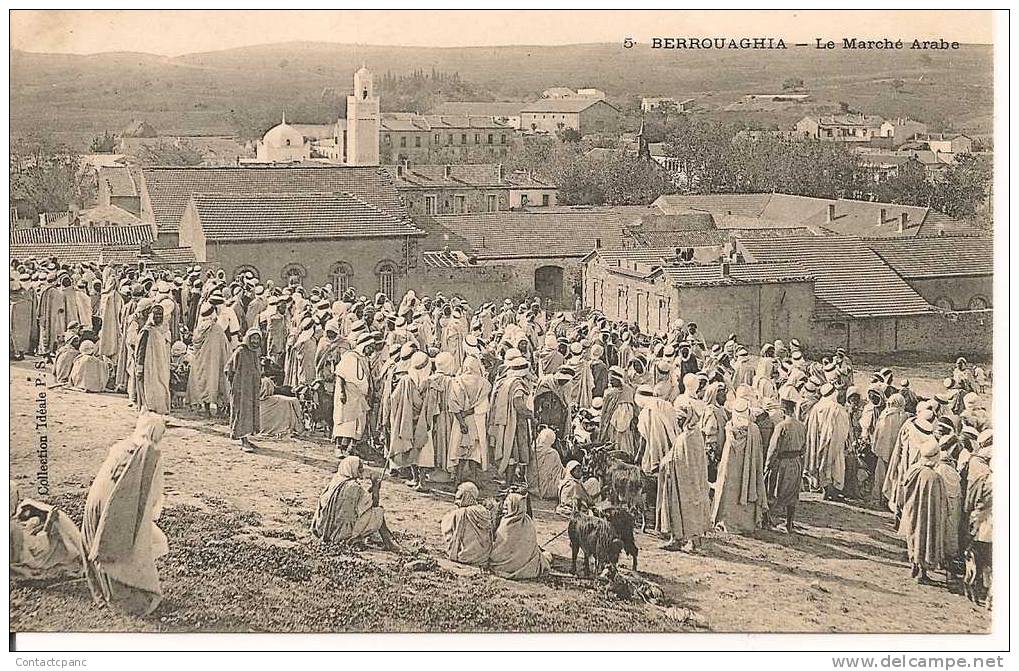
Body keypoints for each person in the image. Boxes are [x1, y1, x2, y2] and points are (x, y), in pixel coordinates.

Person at [81, 413, 169, 616]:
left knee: (100, 541)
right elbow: (154, 494)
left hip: (95, 500)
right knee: (124, 546)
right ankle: (122, 594)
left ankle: (104, 589)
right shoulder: (151, 454)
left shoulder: (121, 445)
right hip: (115, 506)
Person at [311, 456, 401, 551]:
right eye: (359, 468)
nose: (361, 470)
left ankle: (373, 538)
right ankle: (388, 543)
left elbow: (360, 499)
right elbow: (373, 504)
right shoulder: (354, 487)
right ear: (351, 468)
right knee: (378, 513)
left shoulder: (336, 481)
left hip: (324, 527)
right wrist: (375, 488)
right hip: (343, 531)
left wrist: (372, 488)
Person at [656, 403, 711, 551]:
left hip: (686, 480)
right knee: (681, 508)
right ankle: (679, 539)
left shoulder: (690, 436)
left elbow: (686, 460)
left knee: (687, 508)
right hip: (682, 478)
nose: (679, 422)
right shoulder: (690, 433)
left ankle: (690, 541)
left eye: (681, 419)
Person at [898, 434, 949, 585]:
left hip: (913, 511)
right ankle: (923, 572)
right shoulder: (934, 477)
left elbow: (903, 489)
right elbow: (940, 501)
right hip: (928, 515)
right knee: (926, 539)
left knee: (913, 536)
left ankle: (914, 564)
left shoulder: (913, 470)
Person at [711, 397, 767, 534]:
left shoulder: (730, 427)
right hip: (748, 467)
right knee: (747, 487)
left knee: (729, 492)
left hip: (730, 467)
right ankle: (746, 523)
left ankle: (727, 521)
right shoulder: (753, 429)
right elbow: (758, 452)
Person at [764, 388, 807, 533]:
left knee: (773, 491)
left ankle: (767, 521)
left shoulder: (781, 426)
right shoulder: (801, 426)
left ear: (783, 410)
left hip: (782, 463)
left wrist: (768, 464)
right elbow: (803, 448)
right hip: (796, 463)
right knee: (792, 494)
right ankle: (789, 523)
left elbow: (773, 448)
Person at [447, 354, 491, 483]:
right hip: (475, 419)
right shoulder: (484, 383)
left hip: (460, 419)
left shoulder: (457, 381)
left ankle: (458, 478)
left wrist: (461, 420)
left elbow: (453, 404)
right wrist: (470, 411)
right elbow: (484, 406)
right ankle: (474, 477)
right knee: (475, 449)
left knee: (460, 448)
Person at [804, 383, 850, 500]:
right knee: (834, 464)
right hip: (832, 441)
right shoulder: (837, 408)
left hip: (818, 440)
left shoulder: (817, 407)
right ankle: (831, 491)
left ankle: (825, 488)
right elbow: (843, 429)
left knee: (821, 463)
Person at [332, 332, 375, 457]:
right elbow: (340, 375)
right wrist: (341, 392)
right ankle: (339, 448)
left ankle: (351, 447)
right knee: (344, 422)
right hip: (348, 394)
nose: (371, 349)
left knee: (358, 423)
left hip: (360, 397)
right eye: (370, 346)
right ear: (364, 345)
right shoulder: (350, 357)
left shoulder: (364, 359)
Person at [490, 492, 549, 580]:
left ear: (515, 508)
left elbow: (497, 550)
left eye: (507, 508)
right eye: (505, 508)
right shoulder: (528, 522)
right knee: (546, 556)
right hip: (525, 564)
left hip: (504, 565)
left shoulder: (506, 524)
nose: (504, 511)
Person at [225, 329, 262, 452]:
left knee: (250, 411)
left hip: (252, 389)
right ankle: (243, 440)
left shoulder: (255, 352)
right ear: (248, 339)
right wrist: (235, 384)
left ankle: (245, 437)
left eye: (257, 339)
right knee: (242, 411)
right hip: (241, 389)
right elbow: (228, 368)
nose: (255, 341)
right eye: (253, 338)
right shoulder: (240, 351)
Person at [440, 482, 493, 566]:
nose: (456, 502)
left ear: (467, 497)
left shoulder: (462, 513)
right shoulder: (483, 511)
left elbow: (446, 527)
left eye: (459, 498)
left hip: (465, 557)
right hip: (483, 557)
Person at [870, 394, 909, 508]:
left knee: (880, 475)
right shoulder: (903, 416)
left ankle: (878, 498)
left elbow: (877, 433)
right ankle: (891, 499)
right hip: (896, 451)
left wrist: (876, 448)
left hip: (883, 450)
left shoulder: (884, 415)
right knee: (894, 475)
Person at [529, 427, 565, 500]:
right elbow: (560, 472)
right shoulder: (553, 453)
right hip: (548, 489)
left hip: (531, 486)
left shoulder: (532, 450)